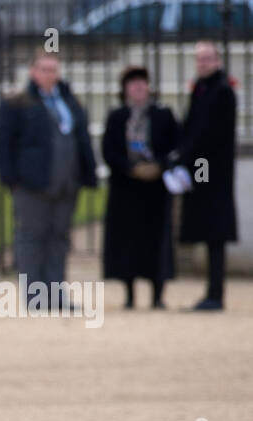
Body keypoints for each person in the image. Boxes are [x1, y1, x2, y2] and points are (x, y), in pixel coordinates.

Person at [0, 50, 97, 311]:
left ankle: (56, 294)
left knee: (59, 238)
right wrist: (12, 180)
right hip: (31, 185)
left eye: (53, 69)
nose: (49, 74)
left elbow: (81, 137)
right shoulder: (17, 101)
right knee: (31, 237)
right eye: (44, 69)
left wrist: (86, 173)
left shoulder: (69, 100)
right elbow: (2, 143)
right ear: (32, 72)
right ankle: (35, 297)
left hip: (66, 183)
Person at [168, 41, 238, 311]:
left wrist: (185, 157)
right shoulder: (201, 88)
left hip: (212, 173)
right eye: (199, 59)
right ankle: (212, 291)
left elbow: (208, 134)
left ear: (217, 60)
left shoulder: (222, 91)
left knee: (215, 231)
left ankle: (215, 293)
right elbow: (191, 127)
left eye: (207, 59)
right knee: (209, 230)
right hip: (201, 170)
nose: (203, 63)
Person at [102, 66, 178, 310]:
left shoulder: (163, 115)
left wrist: (159, 166)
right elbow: (109, 151)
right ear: (125, 89)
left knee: (156, 240)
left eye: (141, 83)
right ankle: (129, 293)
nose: (138, 87)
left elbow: (176, 145)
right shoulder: (117, 117)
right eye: (132, 83)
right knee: (128, 241)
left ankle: (157, 294)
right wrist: (130, 168)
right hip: (127, 188)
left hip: (155, 189)